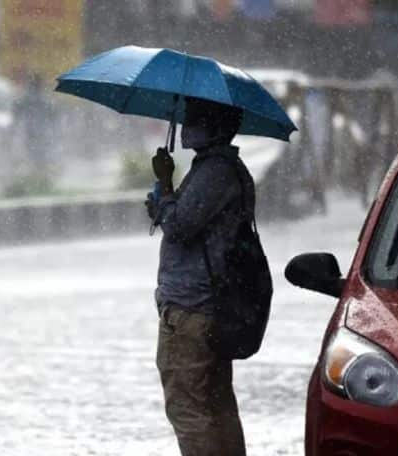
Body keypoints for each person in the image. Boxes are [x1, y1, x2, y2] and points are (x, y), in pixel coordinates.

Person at [145, 96, 252, 456]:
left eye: (195, 117)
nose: (188, 124)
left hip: (192, 309)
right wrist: (168, 187)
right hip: (209, 306)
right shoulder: (220, 170)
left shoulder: (214, 173)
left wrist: (162, 197)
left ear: (214, 124)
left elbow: (180, 225)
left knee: (189, 407)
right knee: (216, 404)